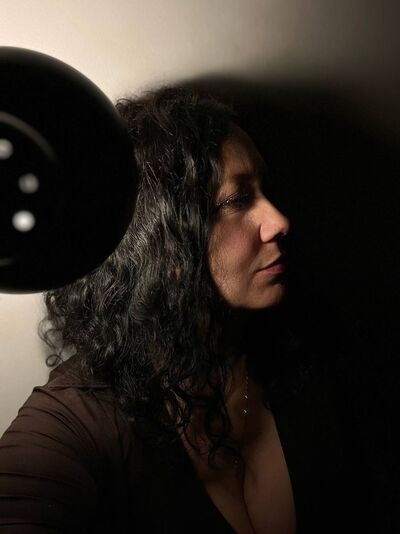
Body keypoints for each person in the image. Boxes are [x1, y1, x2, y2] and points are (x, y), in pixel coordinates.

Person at [0, 86, 368, 534]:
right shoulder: (79, 418)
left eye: (265, 190)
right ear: (163, 240)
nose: (279, 221)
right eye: (237, 200)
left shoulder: (308, 352)